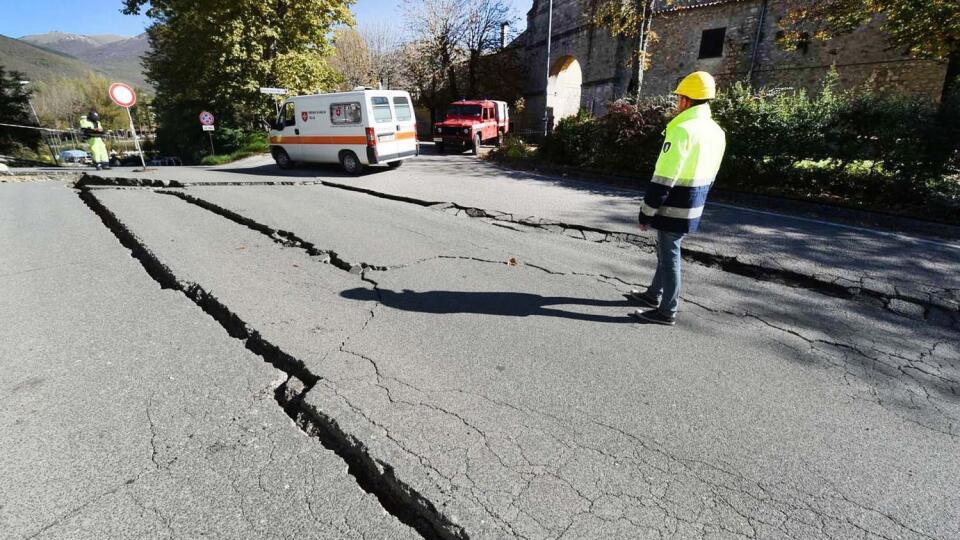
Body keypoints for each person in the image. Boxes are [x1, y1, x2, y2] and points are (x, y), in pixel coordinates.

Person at [629, 71, 726, 326]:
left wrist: (646, 212)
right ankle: (652, 295)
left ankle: (667, 310)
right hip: (695, 203)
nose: (677, 103)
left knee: (669, 256)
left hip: (674, 205)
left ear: (685, 100)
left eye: (679, 98)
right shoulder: (716, 132)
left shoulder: (682, 130)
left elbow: (664, 177)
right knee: (665, 251)